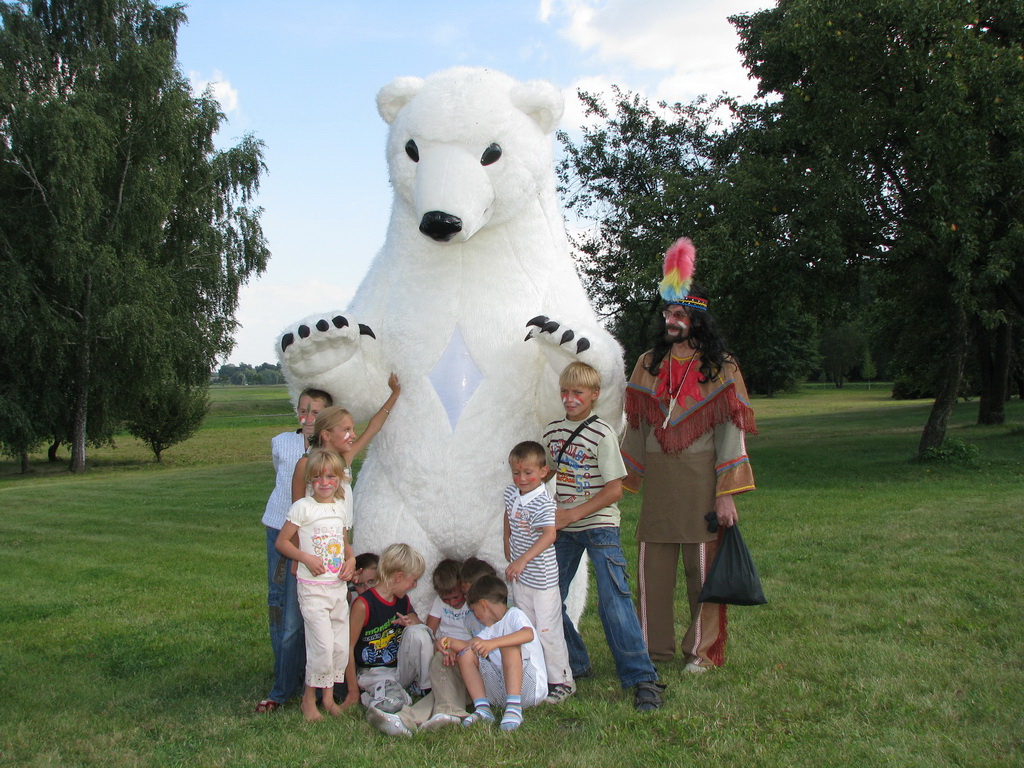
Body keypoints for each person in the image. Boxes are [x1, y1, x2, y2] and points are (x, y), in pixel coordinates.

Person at [620, 237, 757, 672]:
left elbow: (733, 434)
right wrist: (620, 479)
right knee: (652, 572)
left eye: (680, 315)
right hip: (660, 484)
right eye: (668, 314)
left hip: (701, 480)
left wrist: (726, 494)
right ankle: (651, 648)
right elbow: (635, 427)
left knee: (703, 572)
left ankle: (702, 651)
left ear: (698, 319)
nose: (671, 321)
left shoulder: (722, 367)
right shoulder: (648, 363)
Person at [543, 361, 664, 712]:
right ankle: (576, 661)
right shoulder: (552, 433)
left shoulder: (602, 433)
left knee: (614, 600)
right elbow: (548, 471)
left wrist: (572, 513)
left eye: (577, 393)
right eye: (565, 392)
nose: (570, 399)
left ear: (594, 395)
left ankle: (642, 677)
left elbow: (614, 490)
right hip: (566, 530)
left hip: (599, 526)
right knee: (547, 598)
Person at [257, 387, 332, 714]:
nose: (308, 416)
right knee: (281, 604)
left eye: (316, 412)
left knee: (310, 609)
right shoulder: (282, 442)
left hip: (315, 537)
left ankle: (314, 679)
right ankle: (283, 682)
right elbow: (284, 480)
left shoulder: (330, 450)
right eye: (303, 410)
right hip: (281, 529)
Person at [367, 557, 499, 736]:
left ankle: (438, 714)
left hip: (474, 673)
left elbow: (480, 643)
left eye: (459, 596)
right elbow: (431, 632)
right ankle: (406, 719)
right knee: (442, 679)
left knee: (443, 678)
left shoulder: (484, 615)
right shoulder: (473, 612)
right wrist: (441, 644)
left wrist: (454, 647)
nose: (454, 602)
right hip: (453, 662)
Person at [274, 448, 356, 721]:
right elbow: (282, 542)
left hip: (337, 589)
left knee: (338, 646)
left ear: (340, 479)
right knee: (321, 646)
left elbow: (344, 544)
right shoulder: (303, 508)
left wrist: (352, 560)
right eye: (318, 477)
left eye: (331, 477)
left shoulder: (339, 508)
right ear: (310, 480)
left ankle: (328, 698)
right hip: (313, 590)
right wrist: (305, 558)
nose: (324, 482)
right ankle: (308, 700)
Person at [503, 440, 574, 703]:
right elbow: (508, 515)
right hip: (521, 579)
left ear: (543, 472)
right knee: (528, 627)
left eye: (528, 473)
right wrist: (506, 541)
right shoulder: (511, 493)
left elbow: (549, 535)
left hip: (542, 580)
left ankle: (563, 680)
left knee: (547, 629)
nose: (522, 478)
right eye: (516, 473)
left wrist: (522, 559)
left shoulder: (543, 502)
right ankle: (537, 675)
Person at [442, 575, 548, 731]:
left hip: (530, 690)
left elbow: (528, 634)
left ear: (483, 605)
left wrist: (494, 643)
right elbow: (466, 645)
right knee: (466, 654)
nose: (475, 616)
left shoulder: (514, 615)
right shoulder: (491, 629)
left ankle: (514, 709)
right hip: (502, 692)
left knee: (509, 646)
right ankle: (483, 709)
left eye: (474, 610)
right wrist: (446, 643)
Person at [350, 543, 433, 720]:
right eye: (413, 580)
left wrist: (410, 624)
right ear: (399, 577)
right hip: (374, 672)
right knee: (394, 703)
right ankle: (377, 701)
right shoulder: (363, 605)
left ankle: (428, 690)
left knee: (419, 632)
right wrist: (352, 692)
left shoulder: (402, 600)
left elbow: (422, 633)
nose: (414, 585)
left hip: (398, 669)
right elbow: (347, 648)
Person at [291, 374, 401, 501]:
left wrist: (395, 394)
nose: (353, 435)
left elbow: (373, 427)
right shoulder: (305, 464)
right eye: (346, 430)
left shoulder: (344, 459)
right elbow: (297, 506)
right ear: (326, 435)